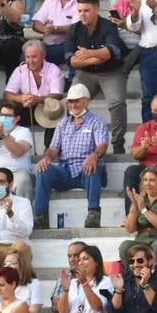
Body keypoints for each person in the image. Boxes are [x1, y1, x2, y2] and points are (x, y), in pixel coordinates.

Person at [36, 82, 109, 230]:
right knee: (44, 171)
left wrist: (94, 155)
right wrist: (47, 158)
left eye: (77, 101)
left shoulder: (97, 121)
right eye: (70, 101)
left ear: (86, 101)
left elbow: (102, 145)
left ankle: (93, 213)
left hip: (86, 169)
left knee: (93, 166)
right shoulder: (62, 123)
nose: (73, 104)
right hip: (66, 171)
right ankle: (39, 216)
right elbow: (53, 148)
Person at [65, 0, 129, 151]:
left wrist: (89, 53)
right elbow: (71, 60)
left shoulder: (108, 26)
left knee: (117, 103)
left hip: (112, 71)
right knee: (72, 100)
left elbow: (111, 52)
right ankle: (73, 141)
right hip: (86, 73)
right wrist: (96, 56)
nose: (82, 14)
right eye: (79, 11)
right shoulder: (74, 29)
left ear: (96, 9)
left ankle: (118, 143)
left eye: (86, 10)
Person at [3, 40, 66, 137]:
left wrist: (38, 99)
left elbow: (58, 95)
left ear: (43, 55)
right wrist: (20, 98)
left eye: (34, 57)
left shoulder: (54, 70)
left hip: (46, 109)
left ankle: (49, 147)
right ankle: (13, 139)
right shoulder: (20, 70)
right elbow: (7, 94)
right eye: (27, 57)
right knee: (1, 105)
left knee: (57, 111)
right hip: (26, 108)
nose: (30, 61)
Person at [121, 167, 157, 275]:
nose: (148, 183)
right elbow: (129, 228)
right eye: (145, 180)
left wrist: (144, 209)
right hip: (142, 239)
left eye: (152, 180)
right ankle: (131, 280)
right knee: (125, 246)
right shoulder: (141, 198)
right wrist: (136, 206)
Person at [127, 94, 157, 198]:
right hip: (147, 169)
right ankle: (131, 212)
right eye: (154, 111)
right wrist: (143, 148)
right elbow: (135, 155)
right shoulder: (144, 128)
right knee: (131, 172)